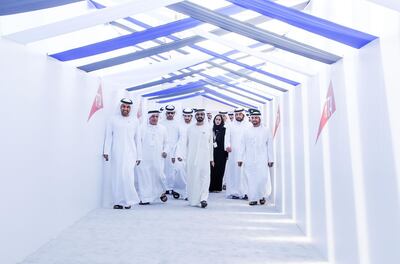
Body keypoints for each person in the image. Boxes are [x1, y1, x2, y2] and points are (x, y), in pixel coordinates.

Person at [103, 98, 142, 209]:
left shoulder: (135, 121)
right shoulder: (113, 119)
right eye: (124, 106)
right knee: (117, 176)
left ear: (130, 108)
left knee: (127, 176)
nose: (125, 108)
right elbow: (109, 136)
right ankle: (118, 201)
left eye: (128, 107)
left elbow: (138, 139)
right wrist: (106, 151)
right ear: (120, 107)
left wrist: (139, 156)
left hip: (131, 153)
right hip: (116, 152)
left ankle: (128, 200)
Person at [178, 109, 214, 208]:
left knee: (205, 178)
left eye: (202, 114)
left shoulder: (208, 128)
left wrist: (211, 159)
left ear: (204, 116)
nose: (200, 116)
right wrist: (182, 156)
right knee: (193, 179)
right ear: (195, 116)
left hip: (205, 158)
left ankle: (203, 199)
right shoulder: (190, 129)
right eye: (198, 114)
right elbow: (185, 144)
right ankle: (194, 199)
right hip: (191, 158)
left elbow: (210, 145)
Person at [238, 109, 274, 206]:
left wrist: (271, 159)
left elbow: (270, 145)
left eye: (256, 118)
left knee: (262, 178)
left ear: (259, 118)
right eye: (252, 118)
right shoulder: (246, 131)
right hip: (249, 159)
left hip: (262, 159)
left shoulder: (266, 130)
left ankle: (262, 196)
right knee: (251, 178)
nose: (254, 119)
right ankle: (253, 198)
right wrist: (240, 158)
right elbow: (242, 145)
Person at [136, 110, 168, 205]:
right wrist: (138, 156)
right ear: (148, 117)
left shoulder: (163, 128)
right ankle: (145, 198)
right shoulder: (142, 128)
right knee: (145, 177)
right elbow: (138, 143)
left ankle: (161, 192)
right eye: (152, 116)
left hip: (158, 157)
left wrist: (165, 151)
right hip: (145, 157)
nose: (154, 118)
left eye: (156, 116)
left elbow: (166, 143)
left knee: (159, 176)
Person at [224, 108, 250, 199]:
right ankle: (234, 192)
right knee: (234, 173)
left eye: (240, 114)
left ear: (243, 115)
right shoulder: (230, 125)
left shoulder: (248, 125)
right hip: (234, 152)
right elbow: (227, 137)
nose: (238, 116)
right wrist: (227, 146)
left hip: (245, 152)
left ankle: (245, 192)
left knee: (244, 172)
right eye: (237, 114)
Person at [160, 105, 183, 198]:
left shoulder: (178, 124)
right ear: (166, 113)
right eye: (168, 113)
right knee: (163, 169)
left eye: (171, 113)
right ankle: (164, 187)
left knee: (173, 170)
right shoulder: (161, 123)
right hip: (163, 150)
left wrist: (176, 150)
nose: (170, 114)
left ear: (174, 113)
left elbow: (180, 137)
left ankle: (172, 187)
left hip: (174, 150)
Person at [209, 114, 228, 192]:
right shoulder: (211, 129)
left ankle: (218, 187)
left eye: (219, 120)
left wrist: (226, 153)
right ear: (214, 120)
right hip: (212, 152)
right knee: (212, 169)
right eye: (216, 119)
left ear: (221, 121)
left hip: (221, 153)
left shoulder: (224, 130)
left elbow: (226, 141)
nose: (217, 121)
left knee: (220, 170)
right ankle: (211, 187)